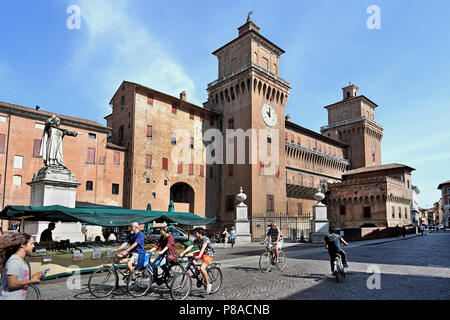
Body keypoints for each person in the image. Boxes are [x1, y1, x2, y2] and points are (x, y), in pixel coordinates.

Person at [0, 233, 41, 300]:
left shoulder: (21, 260)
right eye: (31, 243)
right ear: (23, 245)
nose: (33, 246)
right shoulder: (14, 261)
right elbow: (12, 284)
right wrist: (31, 281)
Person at [179, 228, 215, 295]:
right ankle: (196, 271)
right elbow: (190, 246)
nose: (194, 234)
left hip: (208, 254)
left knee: (202, 268)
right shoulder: (196, 240)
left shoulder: (205, 239)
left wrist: (199, 256)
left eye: (195, 233)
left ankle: (208, 284)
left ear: (200, 234)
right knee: (190, 256)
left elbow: (203, 248)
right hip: (201, 253)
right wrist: (183, 253)